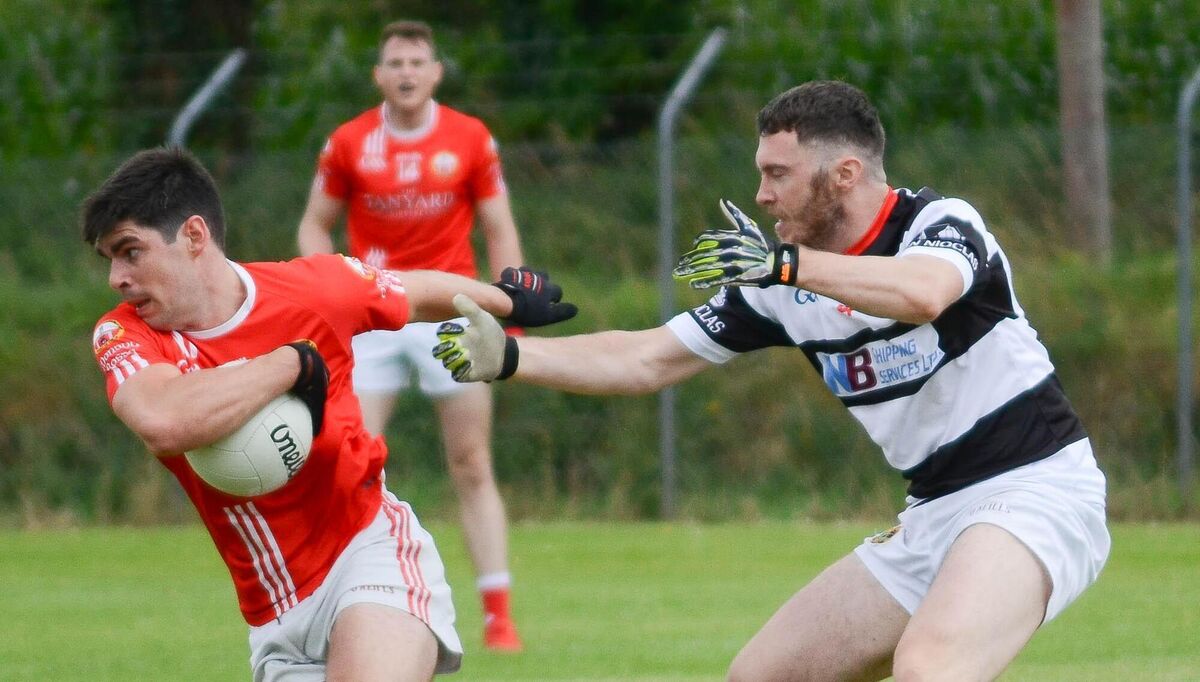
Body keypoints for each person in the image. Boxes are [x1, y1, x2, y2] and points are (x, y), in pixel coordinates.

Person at [433, 80, 1110, 681]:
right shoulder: (778, 280)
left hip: (1037, 489)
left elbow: (926, 292)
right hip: (935, 513)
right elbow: (647, 358)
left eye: (777, 173)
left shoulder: (935, 226)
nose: (761, 194)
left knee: (930, 669)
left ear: (844, 174)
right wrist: (516, 359)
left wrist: (787, 267)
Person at [82, 147, 575, 681]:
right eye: (109, 258)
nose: (117, 277)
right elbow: (162, 420)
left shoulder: (313, 289)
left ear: (194, 236)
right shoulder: (124, 333)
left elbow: (415, 291)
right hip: (275, 615)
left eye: (131, 252)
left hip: (369, 554)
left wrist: (505, 299)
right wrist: (288, 366)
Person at [295, 19, 529, 651]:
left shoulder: (470, 138)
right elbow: (314, 228)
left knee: (471, 461)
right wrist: (332, 289)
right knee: (349, 459)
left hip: (449, 315)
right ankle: (337, 602)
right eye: (394, 62)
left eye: (416, 62)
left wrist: (507, 302)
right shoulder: (347, 143)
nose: (405, 73)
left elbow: (498, 225)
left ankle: (498, 615)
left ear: (434, 73)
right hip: (372, 320)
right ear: (379, 75)